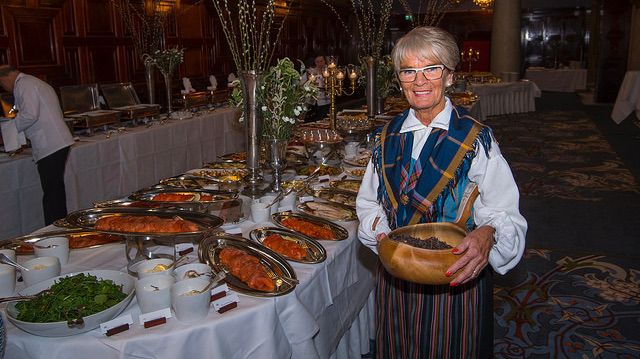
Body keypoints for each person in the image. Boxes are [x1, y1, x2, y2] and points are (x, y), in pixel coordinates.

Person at [356, 27, 527, 358]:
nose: (419, 81)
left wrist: (488, 234)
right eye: (409, 71)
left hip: (453, 280)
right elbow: (367, 203)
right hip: (397, 280)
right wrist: (380, 233)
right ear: (399, 78)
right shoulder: (385, 138)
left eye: (431, 69)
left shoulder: (475, 139)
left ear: (449, 76)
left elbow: (506, 213)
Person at [0, 65, 74, 225]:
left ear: (4, 78)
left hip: (50, 145)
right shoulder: (33, 82)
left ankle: (54, 229)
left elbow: (30, 115)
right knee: (54, 190)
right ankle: (59, 226)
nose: (5, 88)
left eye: (2, 85)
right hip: (56, 142)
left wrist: (7, 129)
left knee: (52, 193)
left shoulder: (24, 84)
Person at [302, 55, 330, 122]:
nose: (320, 63)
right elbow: (302, 83)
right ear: (315, 62)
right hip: (312, 101)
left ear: (325, 61)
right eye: (317, 62)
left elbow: (333, 82)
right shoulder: (310, 71)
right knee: (310, 119)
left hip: (325, 100)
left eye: (321, 61)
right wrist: (309, 84)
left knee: (324, 119)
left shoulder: (329, 71)